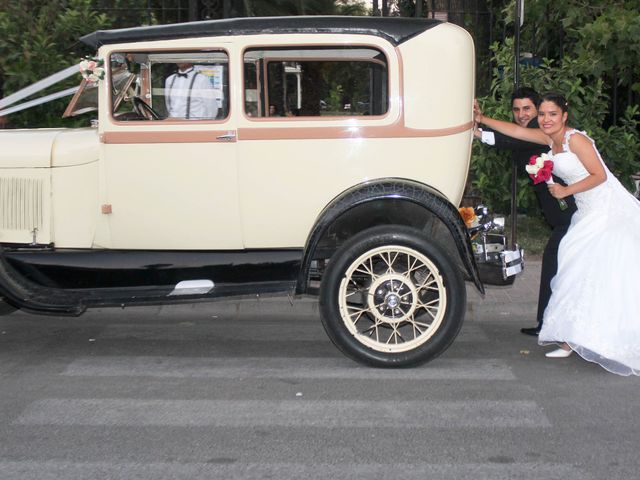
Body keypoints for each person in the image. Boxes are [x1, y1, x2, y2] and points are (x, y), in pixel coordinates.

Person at [475, 92, 640, 375]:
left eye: (552, 114)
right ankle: (571, 338)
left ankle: (581, 338)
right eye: (542, 115)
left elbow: (599, 175)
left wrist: (565, 190)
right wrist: (482, 119)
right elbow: (515, 130)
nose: (546, 119)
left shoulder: (576, 139)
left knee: (588, 268)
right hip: (586, 212)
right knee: (573, 268)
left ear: (564, 115)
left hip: (605, 210)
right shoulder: (550, 138)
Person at [475, 88, 577, 337]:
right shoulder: (536, 131)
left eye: (528, 109)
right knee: (560, 267)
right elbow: (513, 138)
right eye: (516, 109)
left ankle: (550, 325)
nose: (522, 114)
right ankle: (551, 324)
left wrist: (480, 126)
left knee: (556, 265)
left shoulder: (545, 131)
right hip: (559, 215)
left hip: (570, 214)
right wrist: (478, 131)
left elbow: (515, 138)